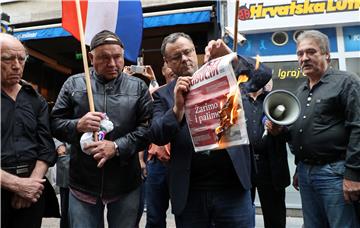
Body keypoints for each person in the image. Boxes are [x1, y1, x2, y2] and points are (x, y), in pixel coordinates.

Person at [150, 32, 272, 227]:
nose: (184, 59)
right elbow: (157, 133)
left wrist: (232, 56)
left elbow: (263, 75)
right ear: (167, 62)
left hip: (233, 189)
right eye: (176, 57)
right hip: (190, 194)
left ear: (195, 51)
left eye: (187, 52)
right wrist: (177, 108)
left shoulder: (225, 75)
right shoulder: (164, 95)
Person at [50, 30, 153, 228]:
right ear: (90, 57)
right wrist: (77, 125)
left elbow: (148, 130)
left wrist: (116, 146)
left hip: (125, 182)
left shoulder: (138, 87)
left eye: (118, 57)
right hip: (83, 183)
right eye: (105, 58)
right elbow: (54, 124)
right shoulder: (74, 84)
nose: (113, 64)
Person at [290, 30, 360, 227]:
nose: (304, 58)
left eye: (311, 52)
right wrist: (298, 168)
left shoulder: (346, 81)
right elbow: (301, 131)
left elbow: (358, 128)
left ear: (326, 54)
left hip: (335, 173)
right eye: (300, 53)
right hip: (305, 174)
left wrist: (353, 175)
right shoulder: (300, 91)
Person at [1, 33, 58, 228]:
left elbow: (46, 147)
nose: (17, 65)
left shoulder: (35, 100)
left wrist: (31, 186)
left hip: (32, 188)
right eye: (7, 59)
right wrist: (17, 185)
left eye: (21, 59)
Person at [242, 81, 290, 228]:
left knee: (274, 216)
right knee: (241, 215)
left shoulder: (275, 99)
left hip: (270, 168)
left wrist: (280, 130)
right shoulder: (237, 99)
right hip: (245, 165)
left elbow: (291, 132)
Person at [145, 62, 176, 228]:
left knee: (187, 215)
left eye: (174, 63)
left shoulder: (192, 90)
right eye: (168, 64)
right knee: (154, 216)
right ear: (163, 71)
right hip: (157, 163)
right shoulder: (155, 94)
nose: (172, 68)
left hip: (182, 162)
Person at [53, 138, 71, 228]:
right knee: (66, 211)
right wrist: (59, 145)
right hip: (67, 162)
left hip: (89, 169)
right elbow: (50, 128)